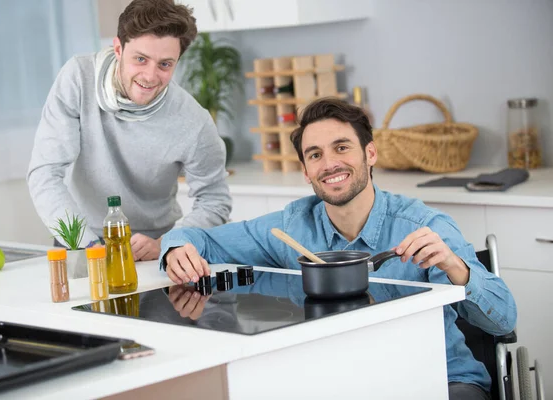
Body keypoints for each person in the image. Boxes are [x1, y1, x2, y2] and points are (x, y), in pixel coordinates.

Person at [159, 97, 517, 400]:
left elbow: (503, 321)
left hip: (443, 381)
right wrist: (176, 249)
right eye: (315, 155)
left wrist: (457, 268)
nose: (329, 164)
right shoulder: (290, 226)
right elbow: (200, 240)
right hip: (345, 383)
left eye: (341, 148)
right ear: (305, 171)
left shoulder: (425, 227)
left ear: (370, 153)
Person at [27, 0, 232, 260]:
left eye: (165, 64)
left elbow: (215, 200)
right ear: (118, 48)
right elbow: (44, 173)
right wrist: (87, 246)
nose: (150, 76)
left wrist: (166, 243)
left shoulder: (194, 121)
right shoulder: (78, 79)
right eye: (140, 59)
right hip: (80, 238)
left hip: (154, 248)